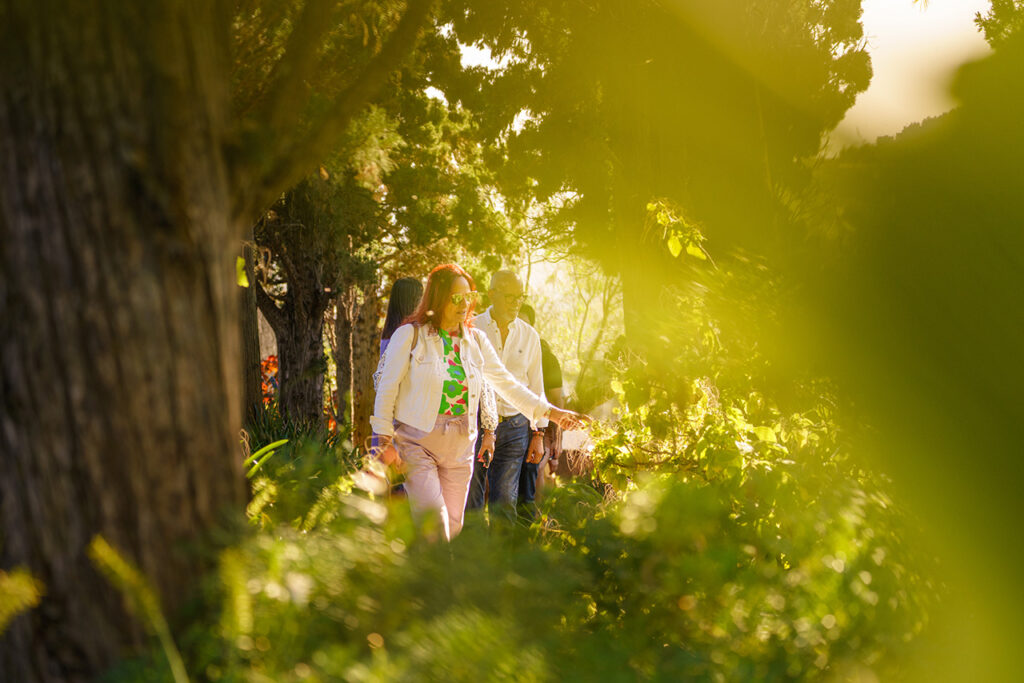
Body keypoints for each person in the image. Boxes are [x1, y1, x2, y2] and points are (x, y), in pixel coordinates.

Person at [372, 264, 587, 540]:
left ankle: (418, 575)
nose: (465, 305)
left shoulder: (475, 340)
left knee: (452, 527)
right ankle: (441, 582)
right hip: (418, 443)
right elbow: (387, 388)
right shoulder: (410, 336)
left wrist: (551, 414)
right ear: (438, 298)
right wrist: (385, 440)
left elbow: (507, 385)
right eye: (456, 297)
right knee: (435, 526)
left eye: (468, 297)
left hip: (460, 447)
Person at [465, 270, 548, 521]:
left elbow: (536, 387)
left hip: (515, 428)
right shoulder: (471, 328)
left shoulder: (530, 336)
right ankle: (472, 558)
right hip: (477, 425)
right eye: (510, 296)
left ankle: (501, 560)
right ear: (492, 294)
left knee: (505, 505)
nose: (516, 302)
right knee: (471, 502)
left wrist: (538, 434)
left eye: (520, 297)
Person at [517, 303, 564, 509]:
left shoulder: (547, 359)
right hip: (507, 424)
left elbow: (556, 399)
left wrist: (555, 438)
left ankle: (536, 526)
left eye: (524, 323)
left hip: (540, 427)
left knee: (535, 470)